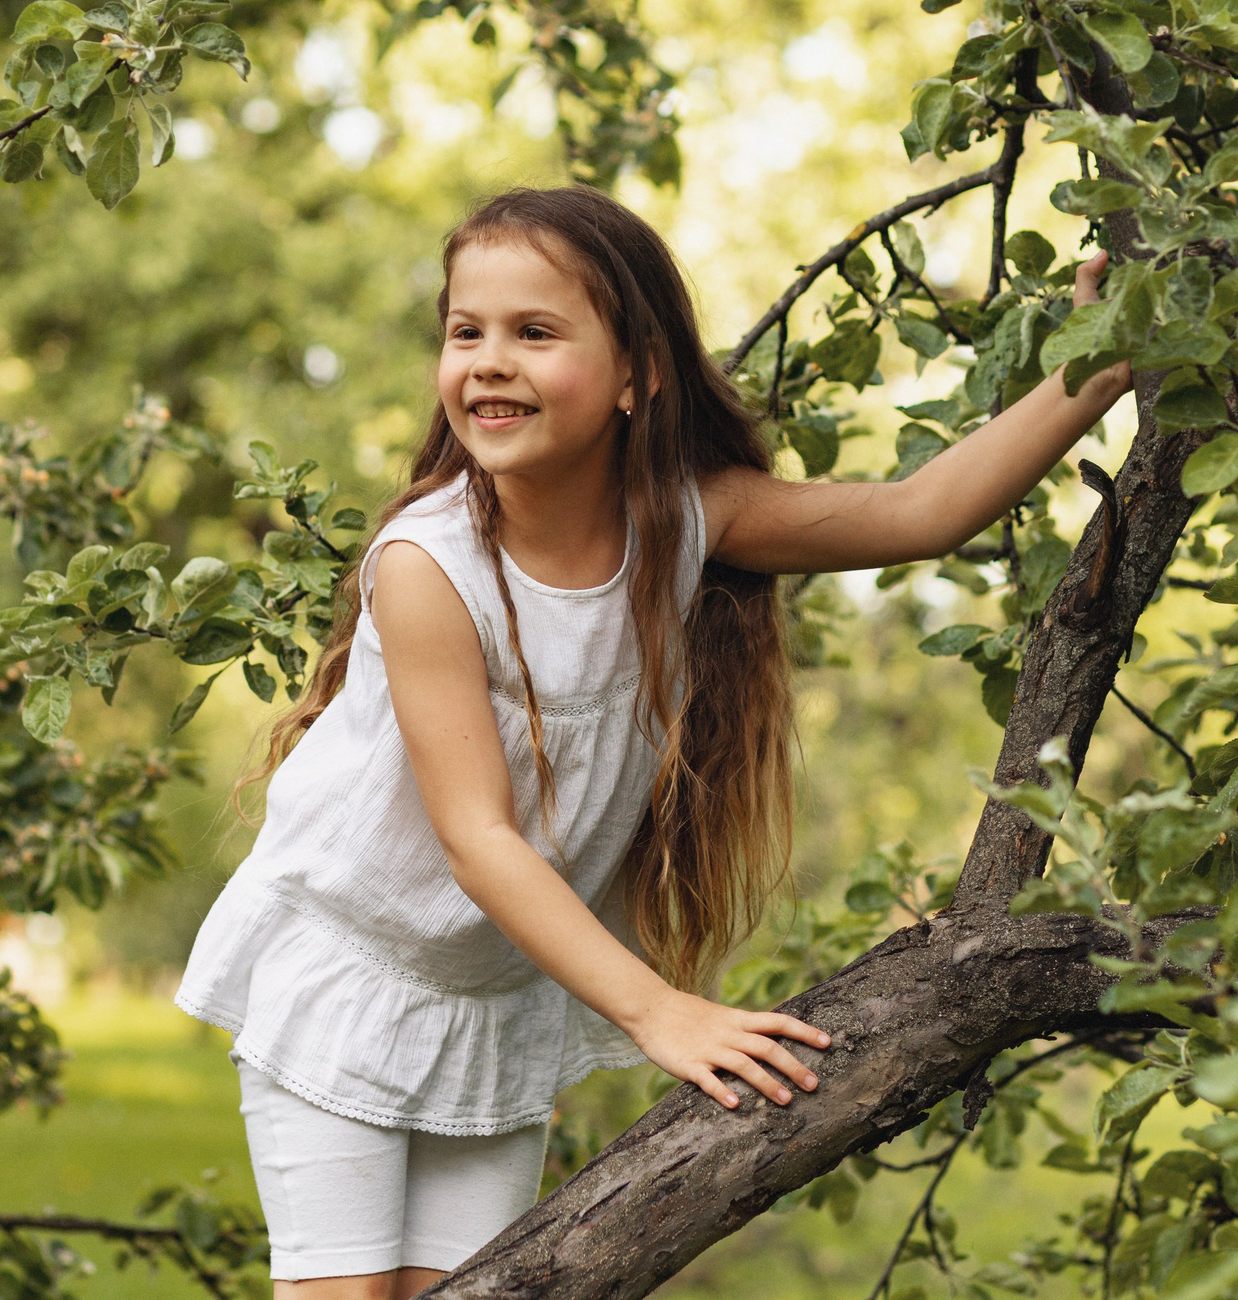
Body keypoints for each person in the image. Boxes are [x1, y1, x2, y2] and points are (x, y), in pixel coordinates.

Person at [177, 185, 1132, 1298]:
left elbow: (922, 513)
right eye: (465, 331)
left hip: (493, 1001)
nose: (488, 361)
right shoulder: (426, 566)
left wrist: (1098, 372)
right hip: (351, 974)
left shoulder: (684, 521)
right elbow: (478, 840)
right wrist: (658, 1011)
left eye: (534, 333)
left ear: (637, 373)